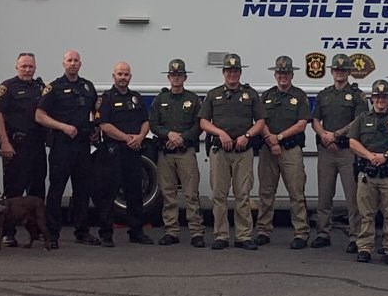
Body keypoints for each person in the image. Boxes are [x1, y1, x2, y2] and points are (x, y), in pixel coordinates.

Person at [37, 49, 101, 247]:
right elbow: (40, 116)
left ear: (80, 64)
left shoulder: (88, 87)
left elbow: (96, 113)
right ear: (63, 63)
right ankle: (52, 234)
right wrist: (62, 127)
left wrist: (95, 130)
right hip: (61, 146)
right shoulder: (53, 88)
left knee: (83, 190)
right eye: (69, 60)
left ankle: (82, 232)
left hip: (82, 146)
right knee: (57, 190)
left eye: (76, 61)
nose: (73, 63)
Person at [200, 53, 264, 249]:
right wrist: (220, 133)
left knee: (242, 194)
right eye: (229, 71)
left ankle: (244, 236)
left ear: (240, 72)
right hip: (220, 151)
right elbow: (203, 122)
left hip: (243, 151)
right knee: (219, 194)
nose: (232, 74)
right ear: (223, 73)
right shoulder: (213, 94)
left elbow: (260, 121)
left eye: (235, 71)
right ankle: (221, 235)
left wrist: (248, 135)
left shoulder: (251, 94)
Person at [346, 78, 388, 264]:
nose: (380, 100)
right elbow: (352, 142)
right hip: (367, 173)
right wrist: (369, 156)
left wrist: (386, 155)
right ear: (372, 98)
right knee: (366, 214)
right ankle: (365, 248)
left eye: (384, 97)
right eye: (377, 97)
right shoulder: (362, 119)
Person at [0, 52, 48, 246]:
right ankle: (8, 232)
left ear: (35, 68)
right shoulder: (8, 87)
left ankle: (36, 232)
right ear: (17, 67)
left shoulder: (41, 87)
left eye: (30, 66)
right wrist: (5, 142)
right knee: (13, 191)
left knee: (37, 190)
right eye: (23, 66)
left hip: (37, 145)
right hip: (16, 145)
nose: (27, 70)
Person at [256, 55, 313, 249]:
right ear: (275, 74)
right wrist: (270, 139)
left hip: (290, 149)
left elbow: (301, 124)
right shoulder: (267, 96)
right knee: (266, 192)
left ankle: (301, 233)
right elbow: (260, 120)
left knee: (296, 192)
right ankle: (263, 230)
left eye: (286, 73)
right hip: (268, 149)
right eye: (280, 73)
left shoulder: (299, 96)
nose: (283, 76)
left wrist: (278, 138)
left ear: (292, 74)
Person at [94, 61, 153, 245]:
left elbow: (146, 120)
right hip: (113, 152)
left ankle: (136, 231)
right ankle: (106, 234)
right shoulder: (106, 98)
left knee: (135, 193)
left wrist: (140, 137)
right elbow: (104, 125)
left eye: (126, 74)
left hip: (133, 152)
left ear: (130, 77)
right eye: (120, 74)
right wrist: (128, 139)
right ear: (114, 76)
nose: (123, 77)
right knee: (108, 194)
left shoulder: (135, 97)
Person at [310, 55, 366, 249]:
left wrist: (336, 135)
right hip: (327, 150)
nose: (339, 72)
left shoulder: (358, 96)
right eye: (336, 70)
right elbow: (315, 120)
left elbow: (358, 121)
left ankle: (355, 236)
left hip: (347, 151)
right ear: (331, 72)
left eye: (343, 70)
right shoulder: (324, 95)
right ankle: (323, 233)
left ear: (349, 72)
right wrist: (324, 136)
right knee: (324, 195)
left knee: (353, 197)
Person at [149, 59, 205, 246]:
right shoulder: (160, 100)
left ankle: (196, 232)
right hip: (165, 153)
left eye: (179, 75)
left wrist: (182, 138)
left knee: (191, 194)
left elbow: (199, 125)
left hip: (185, 152)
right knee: (168, 194)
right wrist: (169, 135)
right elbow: (154, 125)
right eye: (173, 75)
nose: (176, 78)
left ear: (185, 78)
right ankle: (171, 231)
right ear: (168, 77)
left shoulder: (193, 99)